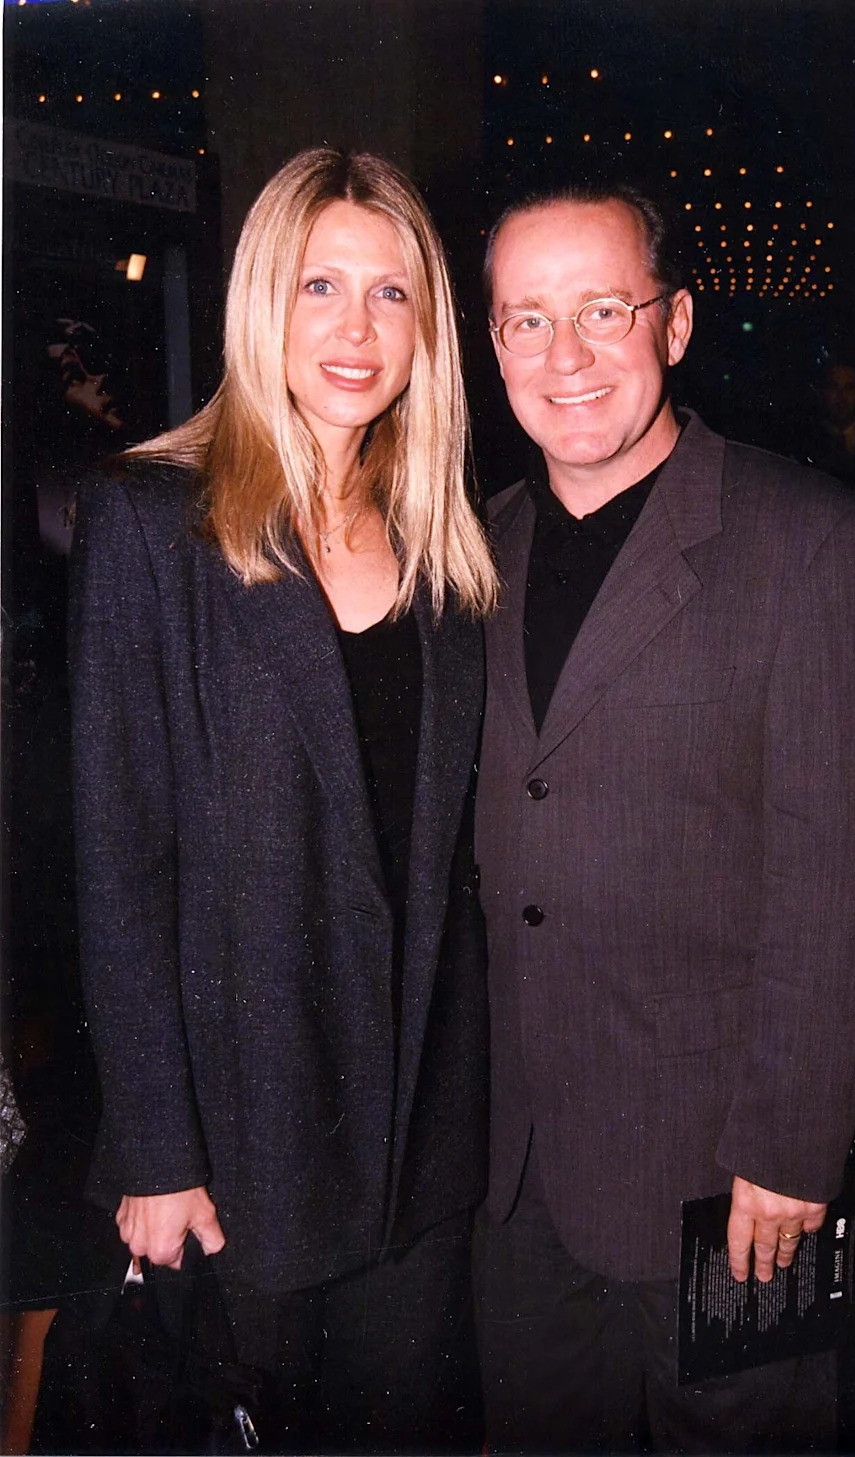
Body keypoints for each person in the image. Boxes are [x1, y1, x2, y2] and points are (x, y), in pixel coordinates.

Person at [472, 181, 855, 1453]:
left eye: (603, 310)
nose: (565, 357)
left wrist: (791, 1150)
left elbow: (848, 885)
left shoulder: (812, 545)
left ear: (674, 325)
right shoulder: (474, 550)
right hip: (520, 1184)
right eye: (527, 319)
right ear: (491, 342)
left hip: (730, 1187)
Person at [69, 147, 497, 1455]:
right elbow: (120, 864)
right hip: (243, 1140)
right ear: (264, 301)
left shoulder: (447, 545)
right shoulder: (155, 525)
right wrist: (155, 1147)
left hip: (419, 1149)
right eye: (321, 286)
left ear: (429, 326)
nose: (357, 330)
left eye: (390, 293)